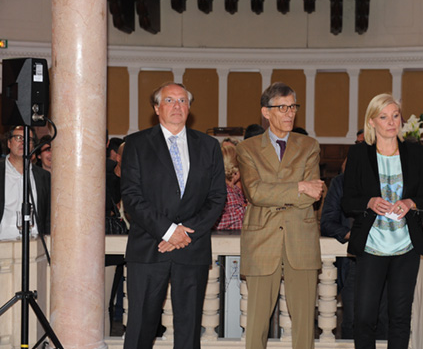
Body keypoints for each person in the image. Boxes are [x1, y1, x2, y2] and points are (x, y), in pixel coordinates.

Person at [121, 82, 226, 349]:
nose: (177, 106)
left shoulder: (209, 146)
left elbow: (216, 199)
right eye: (169, 100)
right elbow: (132, 197)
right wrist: (169, 232)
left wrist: (183, 233)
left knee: (189, 331)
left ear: (189, 108)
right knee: (140, 328)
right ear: (156, 108)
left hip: (192, 248)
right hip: (149, 248)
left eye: (182, 101)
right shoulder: (136, 144)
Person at [236, 82, 324, 349]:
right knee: (257, 326)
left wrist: (280, 191)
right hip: (262, 241)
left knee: (305, 327)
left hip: (302, 240)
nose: (289, 113)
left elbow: (314, 193)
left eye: (292, 107)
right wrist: (298, 186)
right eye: (282, 107)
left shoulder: (309, 145)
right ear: (266, 112)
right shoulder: (247, 148)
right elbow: (255, 193)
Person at [341, 94, 423, 349]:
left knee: (400, 317)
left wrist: (410, 203)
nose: (391, 122)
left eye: (395, 115)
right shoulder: (359, 153)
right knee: (365, 317)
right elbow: (347, 202)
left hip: (407, 247)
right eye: (384, 116)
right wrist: (369, 202)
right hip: (371, 246)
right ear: (372, 122)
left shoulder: (414, 151)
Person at [320, 157, 388, 340]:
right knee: (353, 322)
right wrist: (355, 236)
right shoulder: (341, 183)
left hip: (388, 260)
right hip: (355, 262)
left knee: (385, 322)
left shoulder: (392, 181)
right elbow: (327, 222)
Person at [0, 126, 51, 240]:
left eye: (29, 139)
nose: (23, 142)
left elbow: (48, 218)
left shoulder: (44, 177)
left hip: (36, 249)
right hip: (3, 246)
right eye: (18, 138)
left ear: (33, 146)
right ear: (9, 143)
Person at [214, 145, 246, 230]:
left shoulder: (236, 190)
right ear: (235, 171)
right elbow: (216, 222)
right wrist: (242, 212)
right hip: (225, 240)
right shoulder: (221, 191)